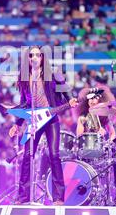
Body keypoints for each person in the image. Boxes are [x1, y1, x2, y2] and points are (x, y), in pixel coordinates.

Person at [8, 46, 78, 205]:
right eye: (31, 55)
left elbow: (65, 90)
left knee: (54, 155)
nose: (34, 58)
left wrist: (71, 99)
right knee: (27, 156)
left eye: (37, 55)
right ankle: (23, 196)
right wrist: (17, 124)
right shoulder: (25, 78)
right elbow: (24, 103)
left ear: (42, 57)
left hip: (51, 119)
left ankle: (59, 197)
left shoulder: (52, 75)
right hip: (34, 120)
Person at [76, 85, 116, 203]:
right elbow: (79, 136)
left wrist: (106, 140)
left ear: (100, 100)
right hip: (87, 151)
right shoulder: (82, 118)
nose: (92, 101)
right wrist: (91, 134)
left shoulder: (104, 118)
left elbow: (113, 134)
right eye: (90, 98)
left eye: (95, 98)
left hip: (102, 151)